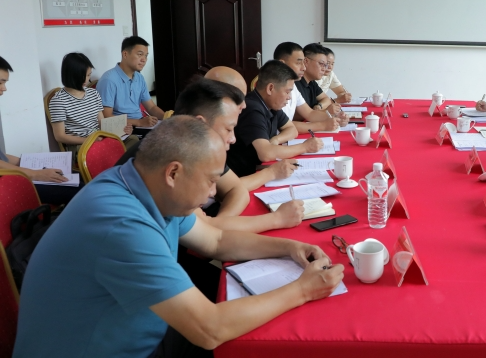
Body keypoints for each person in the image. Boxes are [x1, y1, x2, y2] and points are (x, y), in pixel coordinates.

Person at [13, 116, 345, 358]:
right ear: (173, 172)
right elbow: (209, 329)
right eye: (211, 180)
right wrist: (303, 289)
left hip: (149, 332)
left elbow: (215, 240)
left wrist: (290, 247)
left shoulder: (147, 184)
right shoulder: (121, 224)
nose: (214, 192)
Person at [116, 79, 304, 232]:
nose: (233, 138)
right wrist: (276, 219)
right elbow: (211, 236)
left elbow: (235, 191)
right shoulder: (171, 153)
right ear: (201, 123)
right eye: (229, 129)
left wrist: (220, 224)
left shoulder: (198, 145)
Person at [0, 56, 80, 205]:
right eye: (0, 82)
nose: (4, 88)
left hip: (11, 173)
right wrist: (35, 174)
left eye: (5, 82)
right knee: (78, 191)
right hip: (6, 181)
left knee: (78, 179)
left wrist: (27, 162)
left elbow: (2, 157)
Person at [227, 60, 323, 177]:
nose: (289, 97)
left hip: (260, 170)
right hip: (244, 177)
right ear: (270, 88)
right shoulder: (252, 109)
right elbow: (266, 153)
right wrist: (305, 147)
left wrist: (277, 139)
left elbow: (292, 129)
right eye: (287, 92)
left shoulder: (271, 104)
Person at [49, 53, 135, 155]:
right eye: (83, 76)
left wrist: (122, 130)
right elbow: (60, 136)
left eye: (89, 75)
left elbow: (101, 122)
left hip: (99, 137)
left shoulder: (93, 93)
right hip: (81, 144)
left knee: (133, 140)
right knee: (114, 151)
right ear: (71, 75)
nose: (86, 79)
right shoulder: (58, 100)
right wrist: (91, 140)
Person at [274, 42, 347, 134]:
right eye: (298, 63)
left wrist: (336, 117)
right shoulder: (274, 89)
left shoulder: (293, 86)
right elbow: (284, 125)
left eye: (303, 63)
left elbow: (310, 113)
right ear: (282, 64)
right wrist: (323, 125)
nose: (303, 68)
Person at [96, 36, 165, 128]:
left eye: (146, 55)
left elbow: (151, 107)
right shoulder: (109, 80)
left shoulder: (139, 78)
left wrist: (168, 118)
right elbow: (106, 117)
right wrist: (139, 122)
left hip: (140, 124)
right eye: (140, 54)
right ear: (125, 54)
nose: (144, 59)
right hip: (122, 128)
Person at [298, 43, 339, 111]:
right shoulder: (295, 83)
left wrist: (319, 106)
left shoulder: (312, 82)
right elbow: (304, 114)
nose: (324, 69)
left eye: (325, 65)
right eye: (321, 64)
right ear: (306, 61)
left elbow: (326, 99)